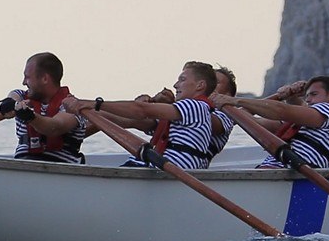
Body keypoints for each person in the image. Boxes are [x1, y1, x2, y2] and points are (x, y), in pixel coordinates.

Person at [66, 60, 221, 170]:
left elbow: (141, 110)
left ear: (200, 85)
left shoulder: (195, 106)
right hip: (157, 169)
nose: (175, 85)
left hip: (170, 173)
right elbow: (130, 120)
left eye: (182, 80)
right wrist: (89, 110)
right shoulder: (180, 115)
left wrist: (96, 103)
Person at [218, 74, 329, 169]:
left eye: (313, 94)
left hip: (300, 172)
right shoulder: (298, 124)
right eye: (306, 95)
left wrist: (234, 101)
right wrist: (288, 96)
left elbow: (281, 110)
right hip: (276, 170)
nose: (308, 100)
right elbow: (256, 121)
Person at [3, 52, 88, 163]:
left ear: (44, 79)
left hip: (62, 171)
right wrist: (9, 105)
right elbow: (13, 96)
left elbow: (54, 127)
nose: (23, 82)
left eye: (27, 77)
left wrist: (30, 117)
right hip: (23, 166)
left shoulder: (72, 107)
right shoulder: (22, 97)